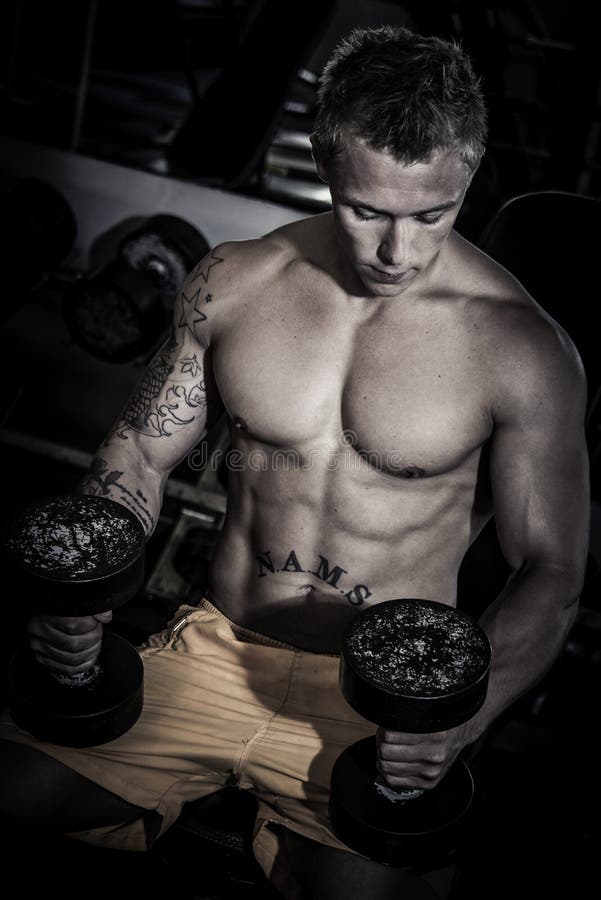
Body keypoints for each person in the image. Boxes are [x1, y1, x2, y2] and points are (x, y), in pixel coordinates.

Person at [0, 23, 590, 900]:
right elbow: (137, 449)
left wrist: (457, 722)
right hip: (210, 651)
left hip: (378, 709)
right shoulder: (235, 283)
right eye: (367, 212)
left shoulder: (521, 349)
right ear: (326, 167)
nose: (397, 253)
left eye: (430, 215)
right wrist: (81, 594)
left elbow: (550, 569)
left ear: (466, 176)